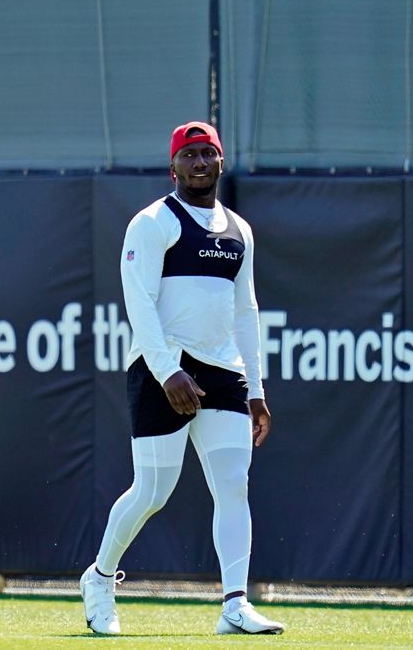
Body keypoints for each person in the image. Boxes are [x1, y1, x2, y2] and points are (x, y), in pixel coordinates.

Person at [79, 121, 284, 636]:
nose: (198, 163)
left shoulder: (240, 230)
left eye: (207, 154)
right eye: (189, 155)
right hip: (161, 369)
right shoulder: (152, 223)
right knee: (152, 491)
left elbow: (246, 312)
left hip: (224, 374)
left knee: (234, 486)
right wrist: (167, 370)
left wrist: (255, 390)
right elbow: (139, 302)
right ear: (173, 166)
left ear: (220, 162)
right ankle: (100, 578)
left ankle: (235, 606)